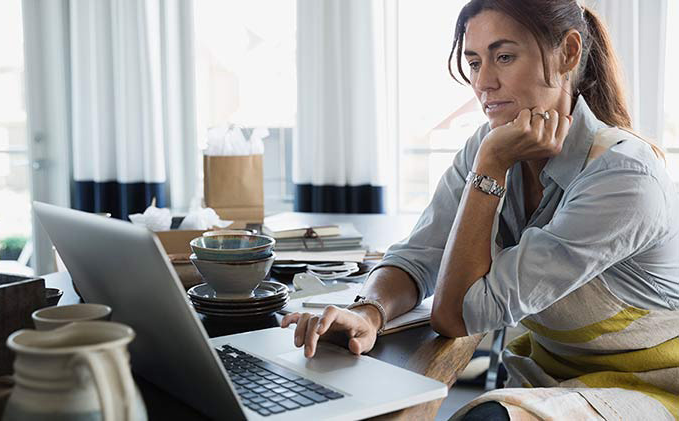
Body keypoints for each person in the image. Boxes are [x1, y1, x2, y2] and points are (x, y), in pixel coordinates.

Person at [281, 0, 679, 419]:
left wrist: (490, 167)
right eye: (474, 62)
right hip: (548, 381)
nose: (483, 83)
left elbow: (455, 315)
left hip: (651, 388)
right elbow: (418, 255)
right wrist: (367, 311)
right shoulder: (488, 145)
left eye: (504, 57)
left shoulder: (622, 179)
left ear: (569, 53)